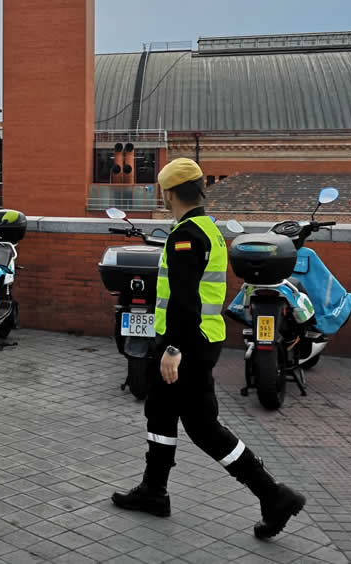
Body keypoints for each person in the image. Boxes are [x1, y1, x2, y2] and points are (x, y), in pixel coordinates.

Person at [111, 158, 306, 539]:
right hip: (199, 339)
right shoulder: (207, 229)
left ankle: (273, 494)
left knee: (203, 427)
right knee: (161, 412)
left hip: (187, 343)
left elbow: (185, 299)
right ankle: (154, 490)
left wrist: (172, 350)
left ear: (169, 193)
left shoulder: (185, 236)